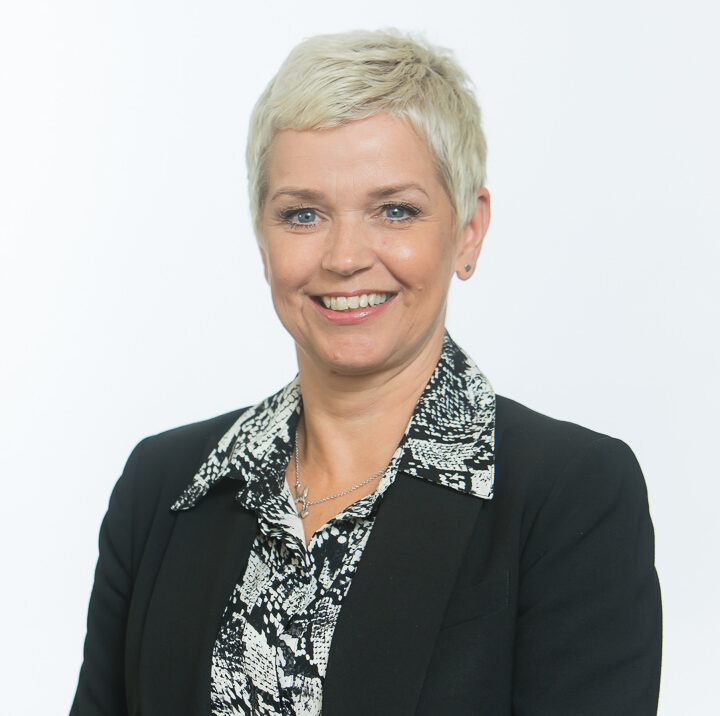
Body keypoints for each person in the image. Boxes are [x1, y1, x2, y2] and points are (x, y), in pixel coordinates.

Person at [70, 29, 662, 716]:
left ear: (468, 230)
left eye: (395, 211)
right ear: (262, 237)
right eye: (303, 214)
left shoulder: (571, 496)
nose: (345, 256)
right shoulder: (162, 487)